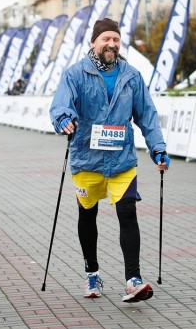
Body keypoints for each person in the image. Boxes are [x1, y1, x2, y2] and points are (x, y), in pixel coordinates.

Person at [50, 18, 169, 303]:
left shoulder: (131, 76)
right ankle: (92, 273)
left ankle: (133, 279)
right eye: (106, 39)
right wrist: (64, 119)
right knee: (87, 215)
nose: (111, 44)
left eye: (116, 39)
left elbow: (147, 115)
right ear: (93, 42)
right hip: (86, 159)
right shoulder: (75, 74)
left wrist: (158, 148)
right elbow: (61, 103)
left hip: (121, 160)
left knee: (128, 212)